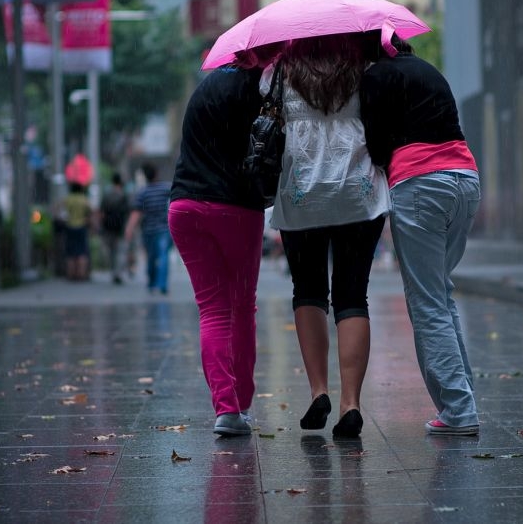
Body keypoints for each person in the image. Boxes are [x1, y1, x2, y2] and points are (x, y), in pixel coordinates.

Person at [266, 33, 390, 438]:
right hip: (357, 191)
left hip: (303, 196)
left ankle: (319, 390)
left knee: (308, 292)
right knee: (353, 294)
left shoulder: (278, 72)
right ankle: (350, 402)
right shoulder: (363, 70)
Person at [359, 34, 481, 436]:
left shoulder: (376, 76)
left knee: (427, 302)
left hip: (421, 184)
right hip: (465, 178)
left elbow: (375, 143)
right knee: (441, 295)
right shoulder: (428, 70)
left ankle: (459, 410)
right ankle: (462, 399)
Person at [168, 46, 280, 437]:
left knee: (212, 310)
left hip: (184, 207)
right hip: (235, 207)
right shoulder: (261, 93)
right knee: (241, 306)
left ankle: (224, 408)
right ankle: (241, 405)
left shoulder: (206, 86)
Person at [125, 163, 172, 294]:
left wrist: (129, 229)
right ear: (156, 174)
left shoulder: (142, 193)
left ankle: (152, 283)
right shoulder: (166, 188)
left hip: (149, 230)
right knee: (163, 256)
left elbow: (136, 213)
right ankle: (162, 284)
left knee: (151, 257)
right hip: (164, 229)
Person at [99, 172, 130, 284]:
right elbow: (127, 212)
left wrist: (101, 225)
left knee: (111, 250)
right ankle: (118, 273)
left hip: (108, 226)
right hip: (120, 226)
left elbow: (101, 212)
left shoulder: (106, 195)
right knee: (120, 250)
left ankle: (114, 272)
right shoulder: (123, 195)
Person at [62, 181, 92, 281]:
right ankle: (81, 275)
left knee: (70, 252)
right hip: (81, 227)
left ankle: (71, 275)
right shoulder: (83, 199)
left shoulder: (68, 199)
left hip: (69, 226)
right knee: (82, 252)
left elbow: (59, 209)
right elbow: (91, 211)